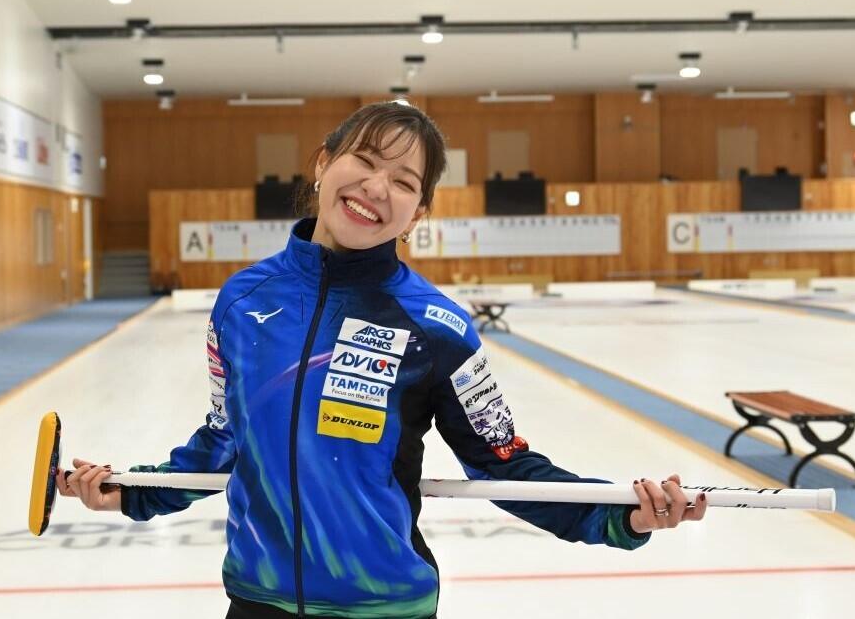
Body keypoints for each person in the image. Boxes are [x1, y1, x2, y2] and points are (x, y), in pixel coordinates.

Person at [58, 101, 707, 619]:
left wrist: (620, 515)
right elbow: (225, 439)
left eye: (403, 182)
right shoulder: (242, 301)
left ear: (418, 212)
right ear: (323, 163)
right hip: (257, 599)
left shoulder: (438, 327)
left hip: (385, 605)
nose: (376, 188)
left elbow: (504, 463)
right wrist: (133, 491)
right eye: (364, 161)